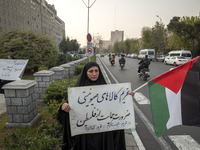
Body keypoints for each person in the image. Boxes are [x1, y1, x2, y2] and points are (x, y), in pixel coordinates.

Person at [57, 61, 134, 150]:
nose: (94, 74)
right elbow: (66, 112)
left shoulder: (106, 89)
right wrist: (64, 107)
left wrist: (126, 97)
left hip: (103, 134)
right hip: (85, 135)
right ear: (85, 73)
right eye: (91, 71)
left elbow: (115, 106)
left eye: (96, 71)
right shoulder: (77, 92)